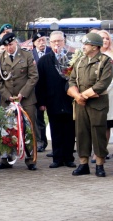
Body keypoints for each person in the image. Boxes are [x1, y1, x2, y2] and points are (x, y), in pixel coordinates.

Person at [68, 32, 112, 177]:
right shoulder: (80, 61)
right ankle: (83, 163)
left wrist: (83, 96)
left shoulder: (106, 61)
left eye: (86, 44)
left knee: (98, 133)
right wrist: (76, 95)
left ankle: (99, 164)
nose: (84, 47)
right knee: (81, 133)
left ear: (94, 46)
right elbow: (72, 80)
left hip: (97, 104)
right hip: (81, 105)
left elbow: (102, 84)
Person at [0, 33, 39, 171]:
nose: (9, 48)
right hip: (8, 101)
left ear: (16, 43)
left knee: (29, 129)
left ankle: (31, 159)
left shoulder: (27, 55)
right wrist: (8, 96)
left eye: (11, 45)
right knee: (6, 130)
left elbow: (33, 76)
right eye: (6, 46)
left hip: (26, 100)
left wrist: (22, 94)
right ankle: (6, 158)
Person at [36, 31, 76, 169]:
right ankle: (57, 158)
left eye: (59, 41)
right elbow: (40, 83)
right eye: (53, 42)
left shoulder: (72, 58)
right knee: (56, 129)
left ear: (64, 41)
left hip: (69, 100)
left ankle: (69, 157)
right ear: (49, 43)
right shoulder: (44, 60)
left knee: (70, 130)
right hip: (52, 100)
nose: (56, 44)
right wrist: (41, 102)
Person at [93, 30, 113, 163]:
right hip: (100, 92)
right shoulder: (94, 56)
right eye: (102, 38)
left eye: (107, 38)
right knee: (101, 124)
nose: (105, 40)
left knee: (110, 122)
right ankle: (99, 152)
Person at [31, 32, 52, 153]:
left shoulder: (51, 51)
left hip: (50, 89)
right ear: (34, 43)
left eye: (43, 40)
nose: (41, 42)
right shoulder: (30, 55)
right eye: (39, 41)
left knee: (53, 118)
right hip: (37, 90)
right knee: (39, 119)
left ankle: (57, 145)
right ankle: (41, 142)